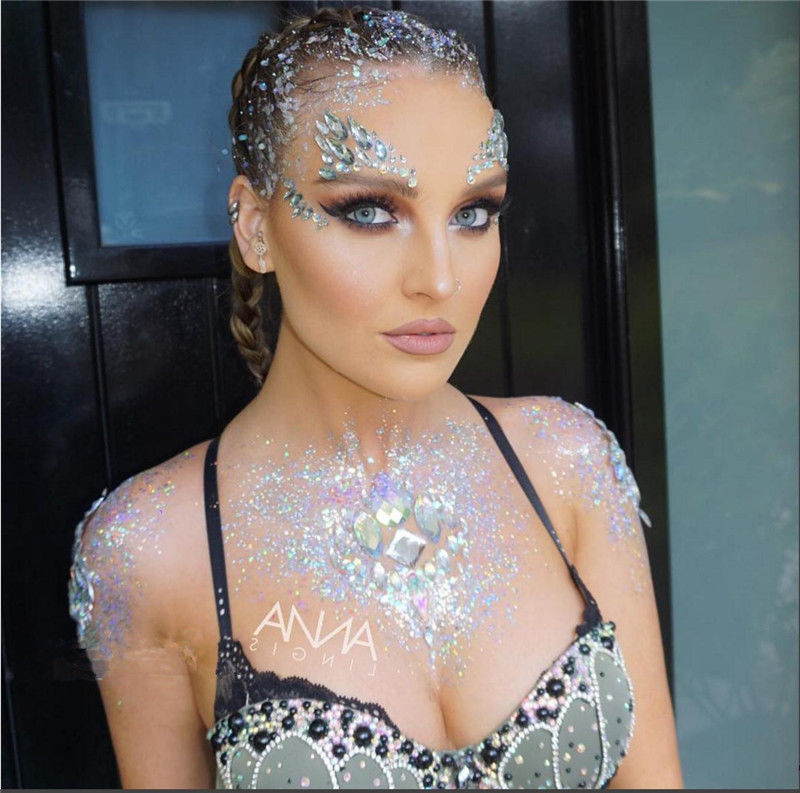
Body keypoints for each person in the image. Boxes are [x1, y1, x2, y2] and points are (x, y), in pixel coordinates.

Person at [67, 5, 683, 789]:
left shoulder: (569, 464)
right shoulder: (148, 548)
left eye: (474, 213)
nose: (439, 279)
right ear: (255, 226)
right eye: (369, 211)